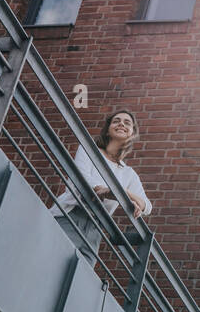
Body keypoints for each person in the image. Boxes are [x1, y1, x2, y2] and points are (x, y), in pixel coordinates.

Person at [51, 110, 152, 267]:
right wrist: (105, 190)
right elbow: (82, 178)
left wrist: (125, 193)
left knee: (79, 277)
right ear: (108, 128)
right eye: (116, 121)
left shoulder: (128, 173)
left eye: (127, 123)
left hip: (95, 229)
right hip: (70, 215)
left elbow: (147, 206)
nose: (121, 124)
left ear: (132, 132)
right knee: (51, 264)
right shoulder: (89, 150)